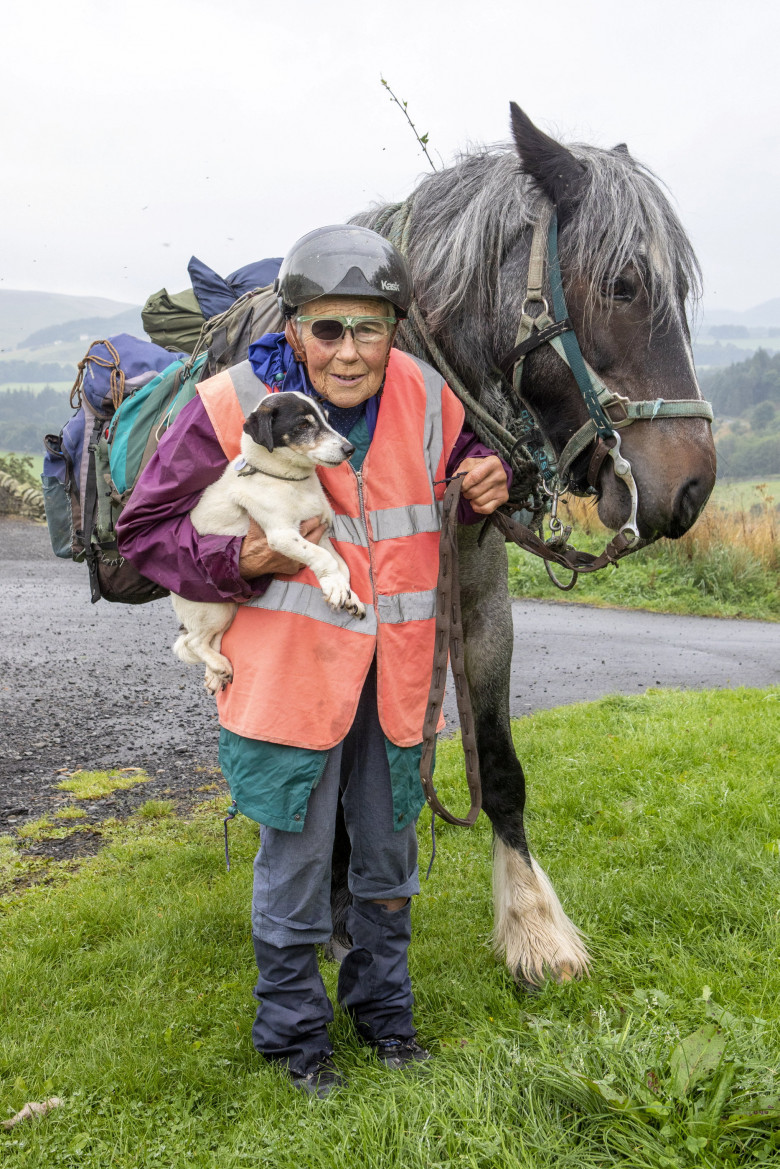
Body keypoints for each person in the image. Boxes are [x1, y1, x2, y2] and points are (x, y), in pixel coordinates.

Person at [117, 225, 510, 1097]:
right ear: (294, 328)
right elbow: (144, 531)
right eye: (328, 329)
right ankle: (293, 1038)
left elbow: (465, 460)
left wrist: (486, 472)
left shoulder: (425, 394)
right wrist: (242, 562)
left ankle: (386, 1019)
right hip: (291, 685)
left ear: (394, 331)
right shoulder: (232, 404)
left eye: (367, 328)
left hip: (396, 680)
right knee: (294, 871)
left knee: (387, 861)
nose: (348, 350)